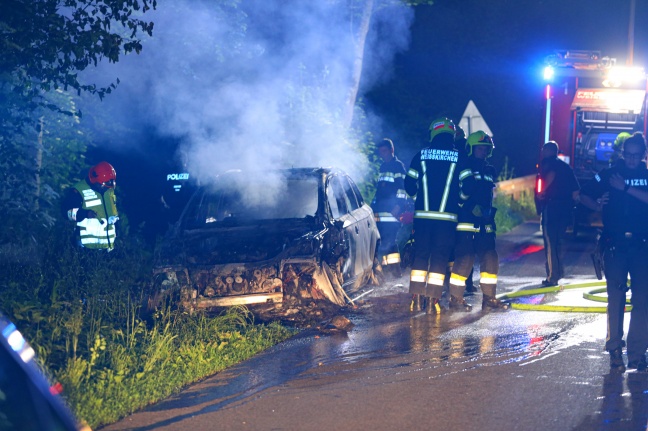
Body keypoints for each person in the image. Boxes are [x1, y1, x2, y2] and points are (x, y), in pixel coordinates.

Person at [580, 133, 648, 372]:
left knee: (643, 301)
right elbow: (582, 193)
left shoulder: (645, 175)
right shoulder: (609, 174)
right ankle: (615, 350)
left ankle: (638, 353)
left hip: (642, 247)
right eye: (627, 155)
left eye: (635, 156)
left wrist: (626, 188)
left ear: (643, 155)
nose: (631, 160)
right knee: (616, 299)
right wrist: (597, 204)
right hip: (614, 246)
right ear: (622, 154)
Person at [405, 117, 471, 313]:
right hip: (447, 218)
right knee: (440, 257)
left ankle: (416, 299)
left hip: (423, 218)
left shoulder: (421, 155)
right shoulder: (459, 157)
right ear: (451, 134)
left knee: (421, 254)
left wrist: (420, 199)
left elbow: (409, 185)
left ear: (433, 132)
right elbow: (468, 186)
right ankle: (433, 300)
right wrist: (458, 200)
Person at [448, 131, 509, 311]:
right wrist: (468, 206)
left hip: (486, 223)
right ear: (471, 149)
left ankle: (489, 299)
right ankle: (456, 300)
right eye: (480, 148)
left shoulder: (489, 170)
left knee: (490, 258)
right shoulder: (463, 166)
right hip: (467, 222)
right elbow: (456, 195)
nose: (483, 151)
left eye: (486, 149)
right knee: (464, 260)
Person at [535, 141, 579, 286]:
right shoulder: (566, 167)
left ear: (549, 151)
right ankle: (558, 272)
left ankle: (552, 277)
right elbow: (575, 192)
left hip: (552, 207)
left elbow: (549, 177)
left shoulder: (548, 165)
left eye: (544, 149)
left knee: (550, 242)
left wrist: (541, 194)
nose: (542, 151)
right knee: (558, 242)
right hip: (565, 209)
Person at [371, 138, 409, 277]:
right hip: (380, 212)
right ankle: (388, 271)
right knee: (384, 243)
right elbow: (380, 191)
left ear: (391, 151)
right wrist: (372, 207)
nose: (382, 154)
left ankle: (396, 271)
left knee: (390, 241)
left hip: (392, 212)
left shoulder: (398, 166)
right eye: (380, 152)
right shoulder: (383, 167)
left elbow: (403, 188)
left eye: (385, 151)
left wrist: (398, 206)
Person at [63, 161, 119, 251]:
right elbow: (66, 213)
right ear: (95, 180)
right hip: (84, 250)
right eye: (106, 183)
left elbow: (113, 215)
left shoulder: (109, 191)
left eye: (111, 182)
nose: (109, 186)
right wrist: (84, 214)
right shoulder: (78, 191)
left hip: (108, 250)